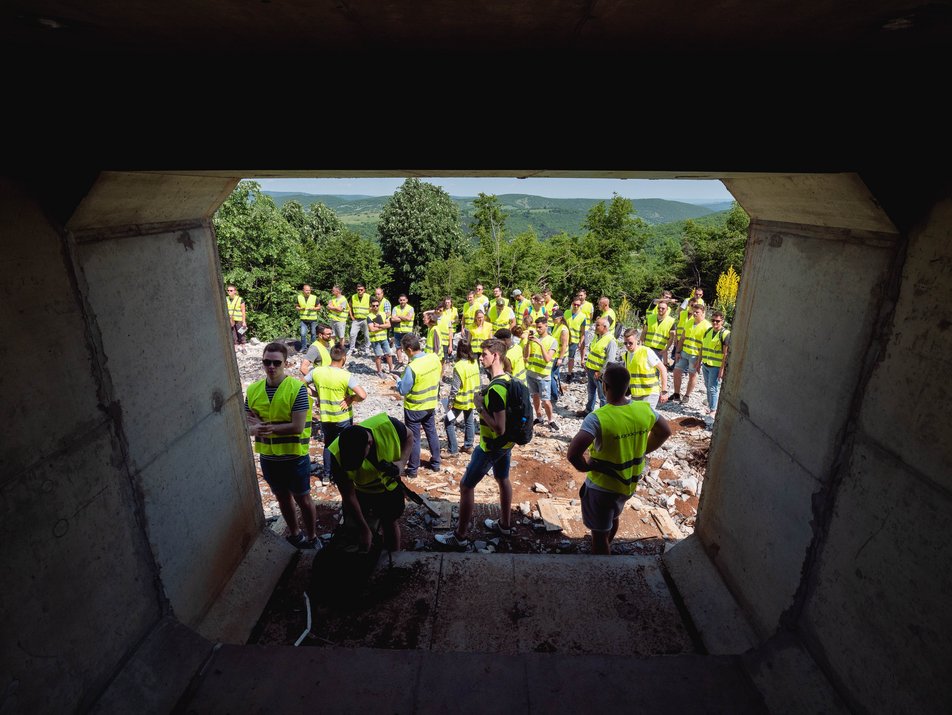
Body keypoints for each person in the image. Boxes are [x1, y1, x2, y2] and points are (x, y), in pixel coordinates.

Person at [567, 363, 671, 555]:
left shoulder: (598, 417)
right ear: (627, 386)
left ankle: (603, 568)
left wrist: (586, 467)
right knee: (613, 517)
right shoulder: (644, 409)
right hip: (627, 484)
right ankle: (608, 542)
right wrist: (642, 450)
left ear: (604, 386)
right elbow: (665, 431)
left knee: (599, 539)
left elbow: (573, 454)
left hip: (602, 487)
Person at [435, 339, 515, 550]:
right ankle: (505, 525)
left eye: (484, 354)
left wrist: (480, 407)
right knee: (502, 478)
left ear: (496, 356)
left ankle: (460, 537)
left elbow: (499, 427)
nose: (480, 358)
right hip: (506, 445)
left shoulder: (497, 389)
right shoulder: (508, 378)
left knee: (466, 486)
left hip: (490, 446)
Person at [245, 342, 318, 549]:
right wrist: (253, 429)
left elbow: (297, 426)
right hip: (269, 457)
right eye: (267, 362)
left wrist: (263, 428)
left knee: (303, 499)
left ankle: (312, 537)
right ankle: (295, 535)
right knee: (283, 498)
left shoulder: (297, 389)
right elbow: (245, 423)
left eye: (276, 363)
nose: (271, 367)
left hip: (294, 457)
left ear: (286, 363)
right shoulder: (253, 390)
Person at [328, 414, 414, 552]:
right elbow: (348, 495)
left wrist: (402, 463)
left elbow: (410, 436)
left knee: (390, 522)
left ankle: (393, 556)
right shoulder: (336, 453)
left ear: (369, 443)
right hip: (361, 492)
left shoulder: (388, 426)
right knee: (355, 528)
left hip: (389, 489)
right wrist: (364, 530)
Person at [307, 344, 367, 481]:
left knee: (328, 445)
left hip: (326, 417)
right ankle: (345, 475)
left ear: (330, 356)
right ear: (344, 358)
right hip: (343, 417)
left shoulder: (317, 372)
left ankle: (327, 476)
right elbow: (362, 395)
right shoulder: (345, 375)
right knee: (345, 446)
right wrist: (351, 398)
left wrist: (317, 394)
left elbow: (301, 385)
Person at [395, 333, 442, 478]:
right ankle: (436, 464)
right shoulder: (434, 358)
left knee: (414, 438)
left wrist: (397, 380)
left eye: (404, 350)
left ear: (409, 350)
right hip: (430, 403)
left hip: (414, 408)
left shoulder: (412, 367)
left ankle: (413, 469)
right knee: (431, 432)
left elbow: (403, 390)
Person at [523, 315, 559, 431]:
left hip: (543, 375)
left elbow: (548, 359)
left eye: (540, 327)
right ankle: (539, 417)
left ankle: (551, 420)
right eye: (537, 328)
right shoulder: (533, 339)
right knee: (535, 397)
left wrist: (540, 343)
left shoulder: (552, 341)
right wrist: (528, 342)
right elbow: (526, 356)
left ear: (546, 326)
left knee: (546, 400)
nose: (538, 330)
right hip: (531, 373)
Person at [672, 303, 711, 403]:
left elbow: (706, 345)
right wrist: (678, 351)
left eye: (697, 312)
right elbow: (682, 338)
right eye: (693, 312)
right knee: (676, 371)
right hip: (684, 352)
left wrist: (700, 359)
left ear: (703, 313)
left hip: (695, 355)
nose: (694, 314)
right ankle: (676, 394)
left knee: (692, 374)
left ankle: (687, 396)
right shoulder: (689, 322)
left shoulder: (707, 326)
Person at [445, 340, 479, 455]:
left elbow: (455, 387)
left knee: (448, 422)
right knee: (469, 421)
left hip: (460, 400)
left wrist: (450, 401)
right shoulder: (474, 362)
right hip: (471, 398)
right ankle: (468, 445)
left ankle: (453, 450)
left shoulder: (459, 366)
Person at [579, 316, 617, 417]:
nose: (595, 327)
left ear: (605, 327)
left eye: (597, 325)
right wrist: (587, 364)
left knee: (602, 395)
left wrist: (601, 372)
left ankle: (603, 415)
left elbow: (610, 359)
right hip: (591, 370)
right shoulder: (598, 336)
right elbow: (593, 352)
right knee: (591, 392)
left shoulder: (610, 340)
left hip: (599, 373)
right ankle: (588, 410)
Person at [621, 328, 668, 408]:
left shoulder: (646, 351)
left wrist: (664, 391)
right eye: (625, 343)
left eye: (630, 343)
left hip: (650, 393)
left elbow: (663, 369)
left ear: (637, 340)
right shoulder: (626, 355)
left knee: (646, 418)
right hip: (635, 394)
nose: (628, 345)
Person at [700, 310, 730, 416]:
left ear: (722, 321)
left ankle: (713, 410)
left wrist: (722, 370)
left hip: (716, 366)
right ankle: (710, 407)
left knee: (713, 388)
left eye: (717, 321)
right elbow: (703, 347)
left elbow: (725, 354)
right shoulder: (708, 331)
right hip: (706, 364)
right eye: (713, 320)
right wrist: (699, 362)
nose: (715, 323)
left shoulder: (725, 334)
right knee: (708, 386)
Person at [640, 298, 676, 368]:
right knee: (644, 367)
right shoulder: (650, 318)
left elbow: (671, 338)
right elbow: (644, 332)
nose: (660, 310)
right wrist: (641, 344)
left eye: (663, 308)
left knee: (655, 369)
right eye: (659, 308)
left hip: (659, 350)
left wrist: (666, 349)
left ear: (667, 309)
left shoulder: (671, 321)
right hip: (647, 347)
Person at [367, 297, 395, 377]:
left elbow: (389, 325)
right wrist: (383, 326)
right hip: (375, 340)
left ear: (379, 306)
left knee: (388, 354)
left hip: (384, 339)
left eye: (377, 305)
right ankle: (379, 371)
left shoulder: (383, 314)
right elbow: (371, 329)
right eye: (373, 306)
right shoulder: (369, 316)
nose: (375, 307)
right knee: (378, 356)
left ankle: (391, 370)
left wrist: (379, 325)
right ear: (371, 307)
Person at [549, 309, 571, 405]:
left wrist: (560, 358)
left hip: (558, 356)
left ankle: (554, 396)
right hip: (555, 354)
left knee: (551, 375)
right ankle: (558, 392)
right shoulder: (557, 326)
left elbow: (564, 345)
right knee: (555, 375)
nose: (553, 320)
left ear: (560, 318)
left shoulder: (563, 329)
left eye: (555, 318)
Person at [565, 297, 587, 382]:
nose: (576, 306)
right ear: (572, 304)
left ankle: (569, 374)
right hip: (565, 339)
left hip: (574, 340)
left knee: (571, 358)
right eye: (575, 304)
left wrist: (580, 342)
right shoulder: (566, 312)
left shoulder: (582, 316)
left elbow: (583, 332)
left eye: (578, 305)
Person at [296, 284, 322, 351]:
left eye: (309, 290)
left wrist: (313, 308)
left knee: (313, 334)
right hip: (303, 319)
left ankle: (313, 348)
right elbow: (296, 307)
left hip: (313, 319)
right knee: (302, 334)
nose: (308, 291)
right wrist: (299, 309)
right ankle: (304, 347)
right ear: (303, 290)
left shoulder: (314, 297)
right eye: (307, 290)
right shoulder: (299, 297)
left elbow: (319, 307)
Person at [390, 294, 415, 365]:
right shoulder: (395, 308)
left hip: (407, 331)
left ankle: (410, 362)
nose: (402, 301)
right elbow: (392, 319)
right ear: (398, 300)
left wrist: (399, 316)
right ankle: (400, 362)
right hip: (397, 330)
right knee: (398, 347)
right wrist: (404, 318)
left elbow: (409, 318)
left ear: (406, 300)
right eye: (401, 300)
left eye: (404, 300)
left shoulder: (410, 308)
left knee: (409, 347)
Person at [347, 283, 371, 355]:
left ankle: (367, 348)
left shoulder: (368, 297)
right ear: (356, 290)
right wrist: (351, 316)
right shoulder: (353, 297)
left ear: (364, 290)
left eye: (361, 290)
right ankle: (351, 349)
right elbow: (349, 307)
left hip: (365, 319)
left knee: (367, 335)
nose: (360, 291)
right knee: (352, 334)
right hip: (356, 319)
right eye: (358, 290)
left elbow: (374, 305)